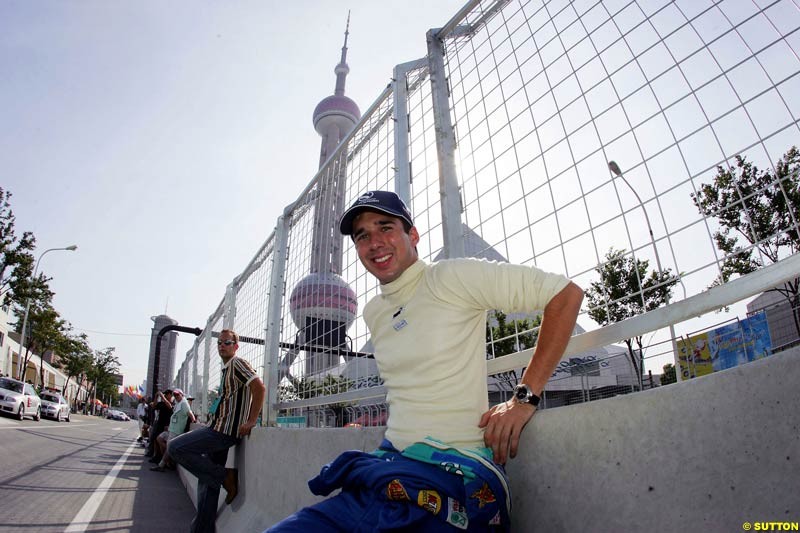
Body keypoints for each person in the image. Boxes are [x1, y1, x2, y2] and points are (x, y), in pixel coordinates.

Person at [267, 191, 583, 532]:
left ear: (412, 235)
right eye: (362, 235)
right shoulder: (375, 312)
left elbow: (565, 295)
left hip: (452, 471)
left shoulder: (451, 278)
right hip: (388, 468)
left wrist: (524, 398)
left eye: (385, 227)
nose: (375, 242)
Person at [169, 329, 266, 533]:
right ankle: (203, 529)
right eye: (220, 343)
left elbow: (259, 388)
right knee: (206, 482)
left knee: (176, 448)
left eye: (228, 343)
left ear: (236, 346)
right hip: (217, 426)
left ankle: (225, 477)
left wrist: (251, 420)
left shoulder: (238, 363)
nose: (222, 345)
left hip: (224, 431)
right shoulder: (226, 369)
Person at [151, 388, 196, 472]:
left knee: (168, 446)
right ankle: (169, 460)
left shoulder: (183, 403)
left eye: (177, 394)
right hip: (171, 429)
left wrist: (194, 420)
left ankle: (162, 464)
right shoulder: (178, 403)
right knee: (159, 438)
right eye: (174, 395)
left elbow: (190, 413)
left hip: (176, 431)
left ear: (182, 395)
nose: (176, 396)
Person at [146, 390, 174, 462]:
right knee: (155, 439)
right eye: (165, 394)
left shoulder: (172, 403)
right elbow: (154, 406)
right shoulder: (161, 403)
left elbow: (169, 406)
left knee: (160, 441)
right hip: (159, 423)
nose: (165, 395)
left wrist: (162, 396)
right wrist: (156, 396)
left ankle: (162, 458)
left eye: (167, 394)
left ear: (171, 395)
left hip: (166, 425)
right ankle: (156, 456)